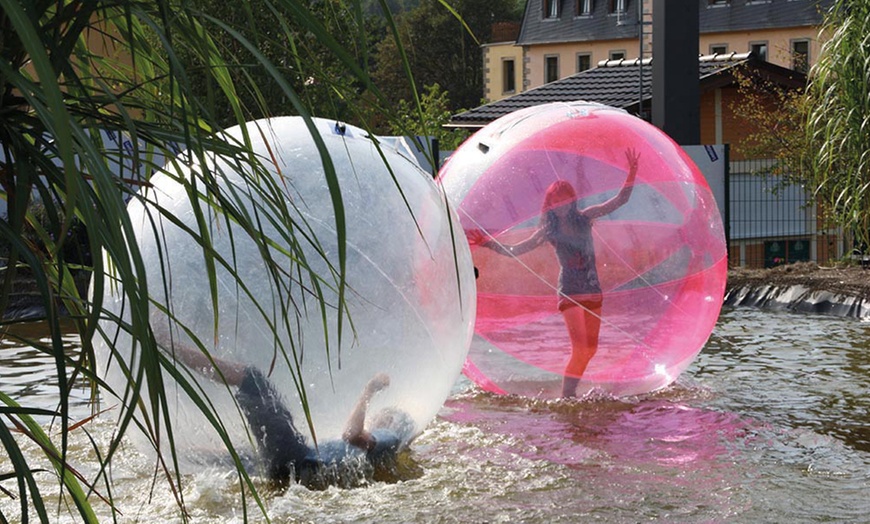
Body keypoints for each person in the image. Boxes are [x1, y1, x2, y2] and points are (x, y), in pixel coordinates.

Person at [151, 323, 416, 488]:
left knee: (250, 378)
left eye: (386, 414)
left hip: (294, 458)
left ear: (391, 421)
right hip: (290, 466)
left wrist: (369, 391)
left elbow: (351, 433)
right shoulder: (367, 451)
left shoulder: (386, 437)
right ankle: (171, 452)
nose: (381, 416)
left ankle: (168, 344)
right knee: (232, 455)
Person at [470, 148, 640, 397]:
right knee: (580, 347)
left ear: (572, 200)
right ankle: (567, 398)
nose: (561, 205)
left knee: (590, 349)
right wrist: (487, 243)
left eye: (565, 199)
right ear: (550, 204)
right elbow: (516, 250)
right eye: (556, 201)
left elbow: (619, 201)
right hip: (570, 292)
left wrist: (632, 172)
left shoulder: (585, 218)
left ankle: (570, 395)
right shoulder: (548, 231)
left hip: (593, 289)